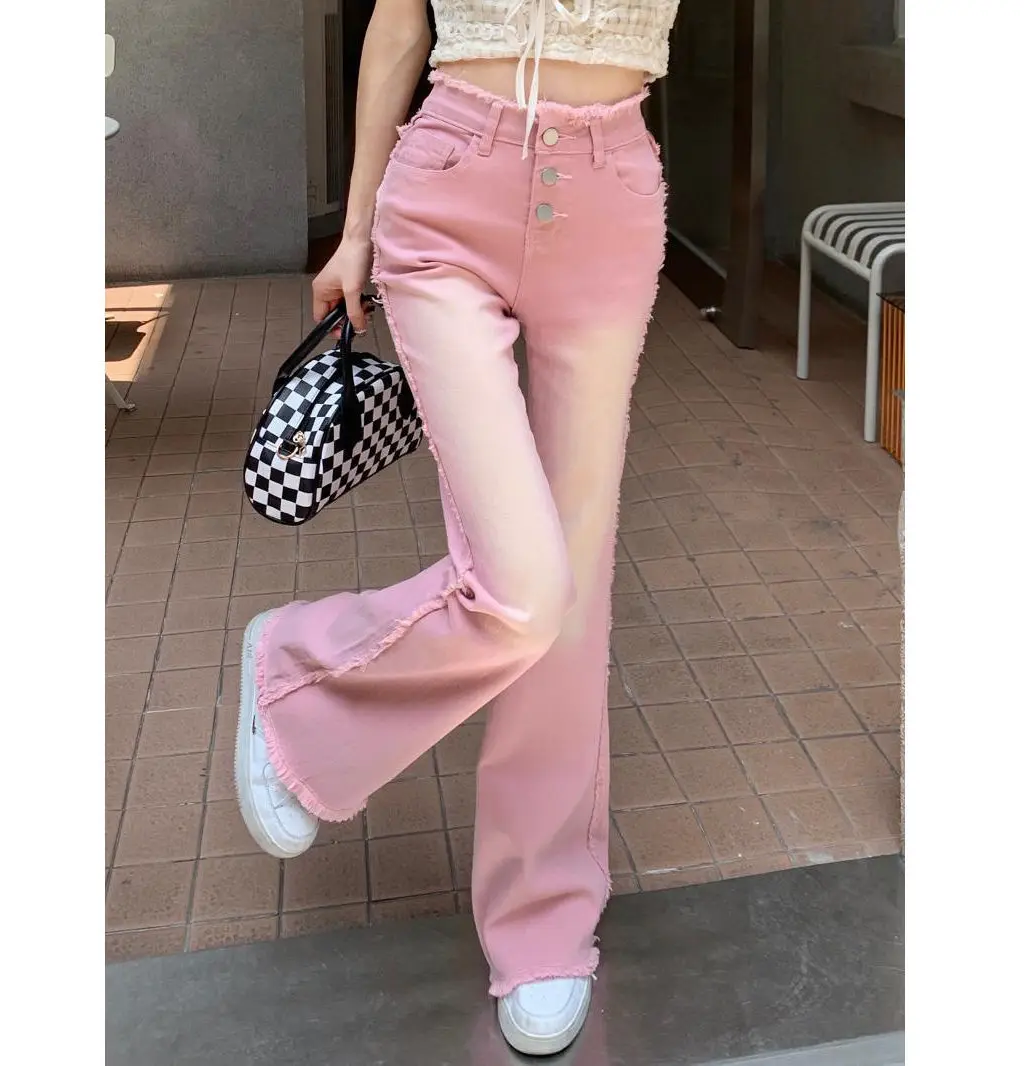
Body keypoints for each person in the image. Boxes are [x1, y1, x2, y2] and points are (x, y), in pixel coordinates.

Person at [235, 0, 680, 1055]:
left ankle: (542, 924)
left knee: (570, 590)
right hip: (448, 185)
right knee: (524, 584)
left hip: (607, 195)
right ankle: (300, 672)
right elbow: (398, 25)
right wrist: (354, 231)